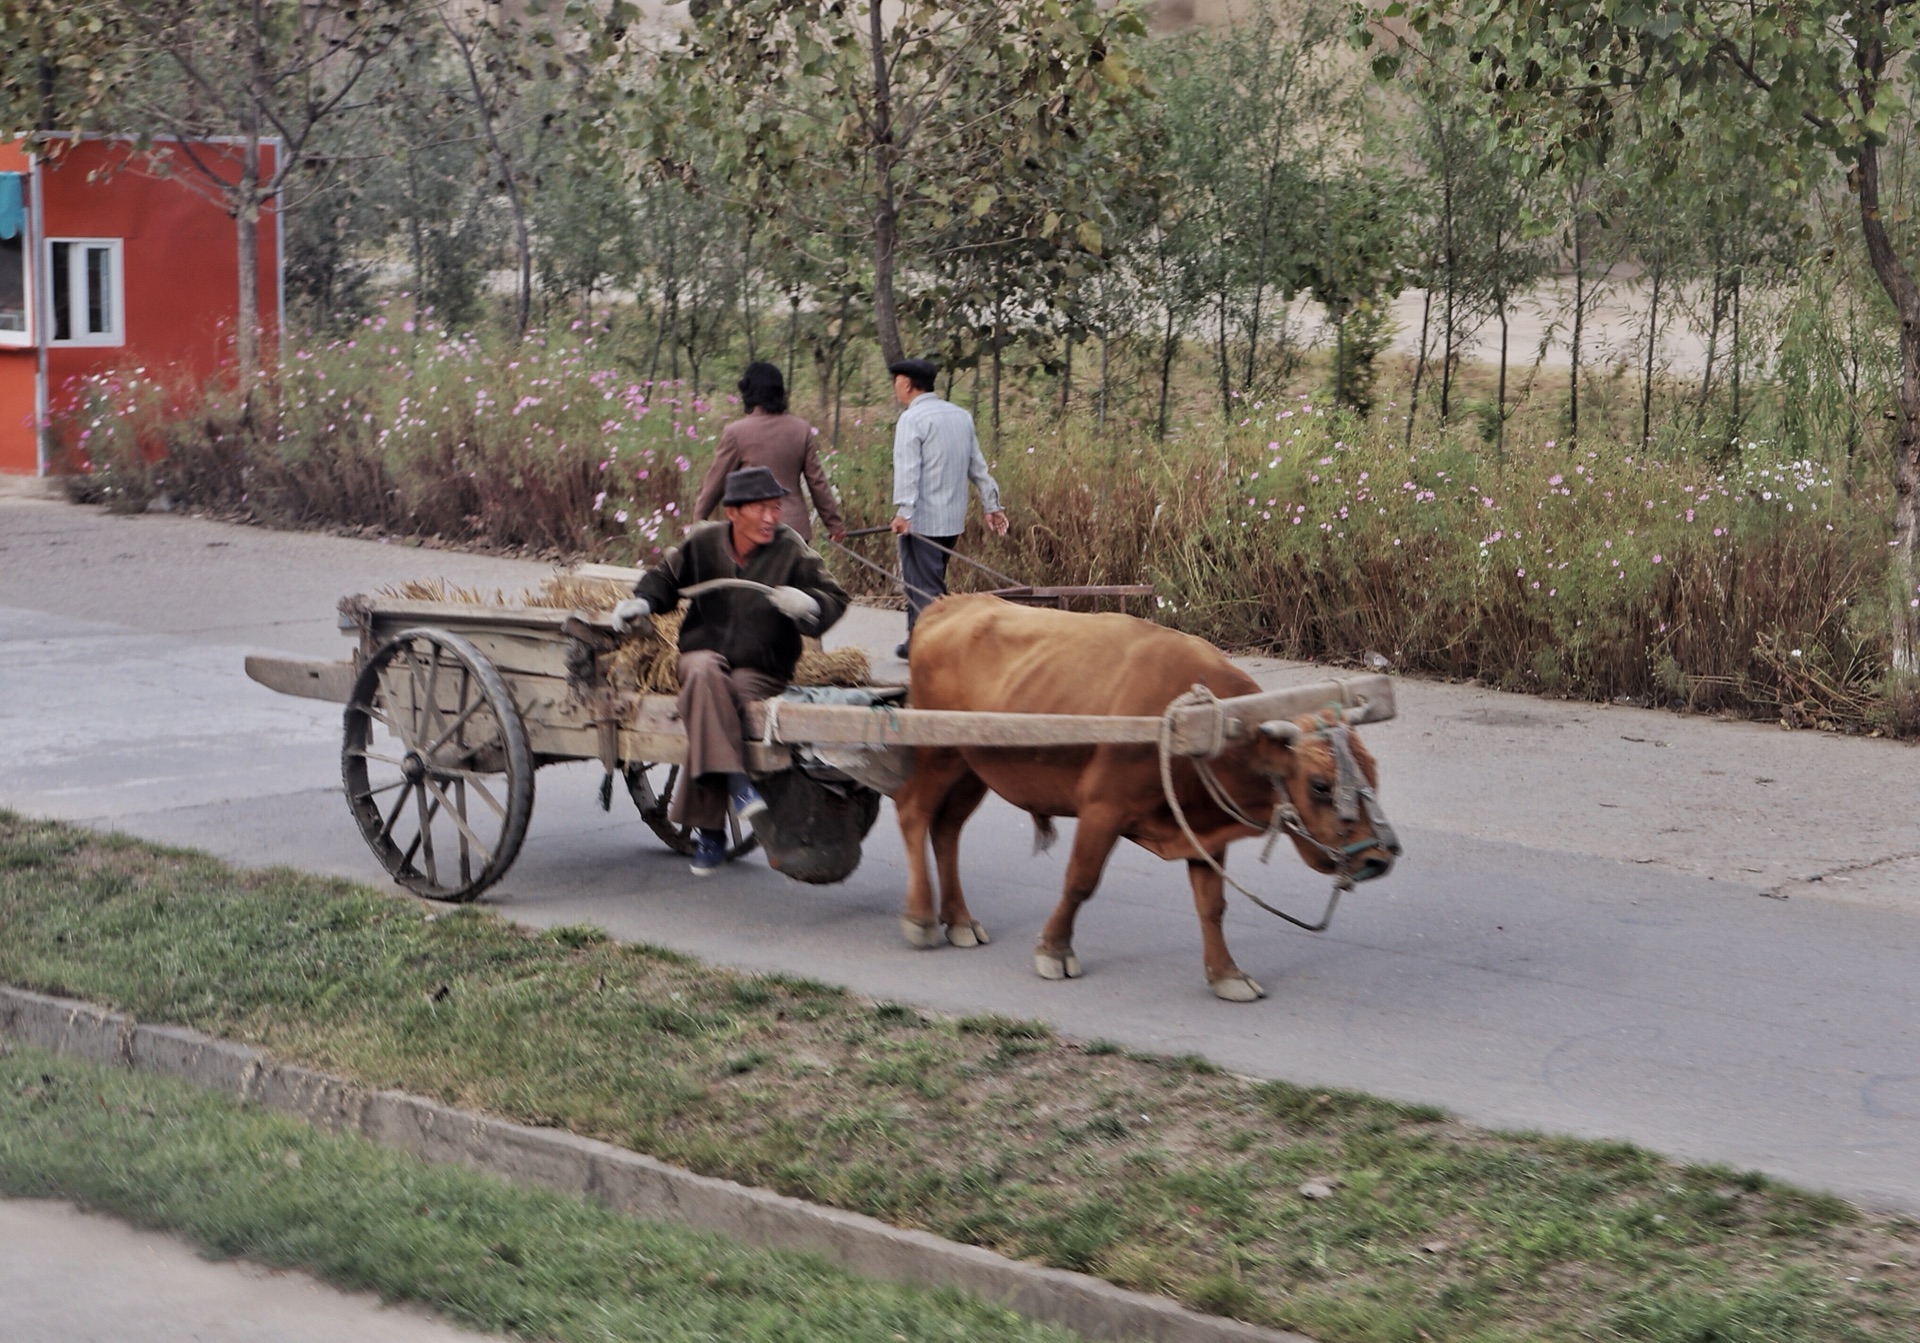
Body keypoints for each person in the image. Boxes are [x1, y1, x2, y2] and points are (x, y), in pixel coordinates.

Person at [611, 466, 850, 876]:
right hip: (702, 655)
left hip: (761, 667)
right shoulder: (703, 542)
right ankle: (738, 786)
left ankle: (711, 832)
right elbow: (663, 579)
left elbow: (834, 596)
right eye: (762, 509)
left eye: (777, 508)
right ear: (734, 512)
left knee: (723, 700)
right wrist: (644, 603)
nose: (772, 518)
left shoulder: (791, 548)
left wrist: (809, 604)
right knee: (703, 672)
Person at [887, 357, 1008, 659]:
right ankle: (916, 639)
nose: (895, 388)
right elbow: (977, 467)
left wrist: (904, 512)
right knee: (925, 581)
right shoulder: (960, 416)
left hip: (922, 521)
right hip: (952, 520)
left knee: (924, 587)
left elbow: (908, 470)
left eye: (896, 382)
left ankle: (935, 651)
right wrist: (991, 504)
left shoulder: (912, 420)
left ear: (906, 384)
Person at [693, 361, 846, 544]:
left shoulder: (737, 433)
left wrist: (698, 523)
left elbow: (714, 485)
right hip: (795, 533)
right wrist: (834, 525)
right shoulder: (801, 429)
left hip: (754, 531)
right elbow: (817, 483)